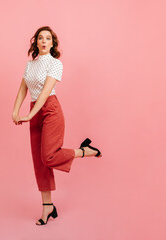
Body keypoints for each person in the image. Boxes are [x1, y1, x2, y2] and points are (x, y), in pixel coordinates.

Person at [12, 26, 102, 226]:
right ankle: (48, 209)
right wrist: (15, 111)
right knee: (39, 162)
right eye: (40, 38)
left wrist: (29, 114)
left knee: (49, 156)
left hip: (50, 109)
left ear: (53, 43)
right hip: (35, 110)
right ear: (35, 42)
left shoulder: (55, 64)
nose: (44, 41)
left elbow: (45, 92)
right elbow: (22, 90)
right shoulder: (30, 65)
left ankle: (83, 151)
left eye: (48, 38)